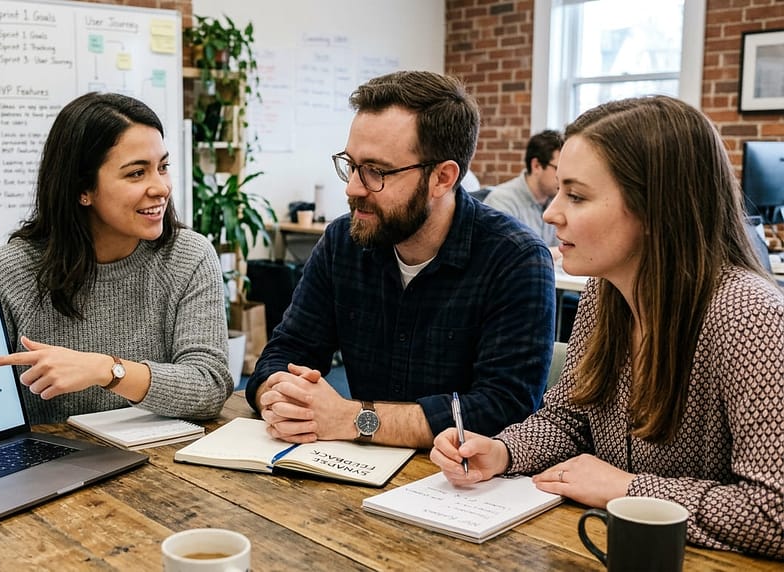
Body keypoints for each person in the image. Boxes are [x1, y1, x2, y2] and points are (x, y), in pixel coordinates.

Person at [431, 95, 784, 559]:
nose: (551, 213)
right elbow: (570, 420)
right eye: (557, 190)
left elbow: (772, 513)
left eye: (576, 196)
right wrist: (501, 452)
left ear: (657, 209)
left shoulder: (747, 315)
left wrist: (630, 489)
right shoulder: (604, 294)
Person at [247, 71, 556, 449]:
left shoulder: (516, 259)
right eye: (351, 164)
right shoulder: (342, 242)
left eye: (376, 171)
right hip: (351, 469)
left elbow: (504, 408)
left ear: (442, 178)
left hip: (462, 487)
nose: (353, 187)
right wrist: (277, 397)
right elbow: (287, 350)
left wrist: (354, 418)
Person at [0, 92, 233, 424]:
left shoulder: (189, 257)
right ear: (83, 189)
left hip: (161, 464)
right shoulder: (12, 272)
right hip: (52, 467)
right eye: (136, 173)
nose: (161, 188)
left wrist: (106, 370)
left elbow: (209, 386)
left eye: (162, 167)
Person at [483, 129, 564, 259]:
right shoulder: (502, 201)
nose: (562, 176)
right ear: (536, 165)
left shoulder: (554, 199)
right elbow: (508, 257)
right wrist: (561, 252)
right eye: (558, 169)